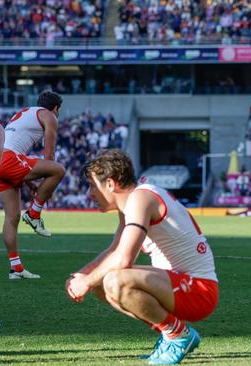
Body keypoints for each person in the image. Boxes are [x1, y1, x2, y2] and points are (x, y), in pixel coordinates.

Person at [66, 149, 218, 365]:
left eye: (92, 185)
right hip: (178, 284)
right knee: (100, 283)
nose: (90, 193)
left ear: (110, 183)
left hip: (199, 291)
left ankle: (178, 335)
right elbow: (114, 250)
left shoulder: (140, 198)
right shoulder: (131, 203)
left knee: (114, 279)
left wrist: (86, 281)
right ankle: (172, 334)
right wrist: (83, 276)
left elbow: (123, 259)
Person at [0, 90, 65, 280]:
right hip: (9, 160)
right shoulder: (48, 115)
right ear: (56, 108)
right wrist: (47, 182)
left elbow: (14, 148)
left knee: (12, 217)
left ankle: (15, 268)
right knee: (59, 170)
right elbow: (49, 155)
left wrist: (31, 183)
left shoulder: (25, 113)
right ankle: (34, 214)